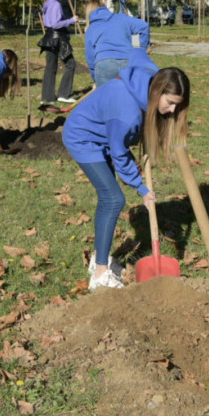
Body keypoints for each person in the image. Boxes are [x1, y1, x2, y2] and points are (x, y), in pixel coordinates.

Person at [63, 48, 190, 291]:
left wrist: (141, 43)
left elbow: (139, 55)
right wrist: (141, 188)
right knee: (112, 200)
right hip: (83, 137)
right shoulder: (128, 114)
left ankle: (98, 260)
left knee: (108, 198)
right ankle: (100, 275)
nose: (173, 110)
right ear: (158, 91)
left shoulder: (151, 75)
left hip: (103, 134)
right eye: (170, 103)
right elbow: (119, 152)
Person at [84, 0, 150, 86]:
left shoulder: (91, 29)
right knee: (127, 97)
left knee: (106, 99)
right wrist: (142, 51)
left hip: (104, 65)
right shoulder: (122, 18)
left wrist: (95, 78)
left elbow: (90, 58)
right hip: (127, 61)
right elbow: (144, 26)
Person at [39, 0, 79, 104]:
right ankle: (64, 94)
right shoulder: (56, 4)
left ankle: (47, 98)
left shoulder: (47, 4)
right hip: (58, 38)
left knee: (50, 67)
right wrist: (72, 20)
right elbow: (56, 24)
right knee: (71, 64)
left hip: (49, 37)